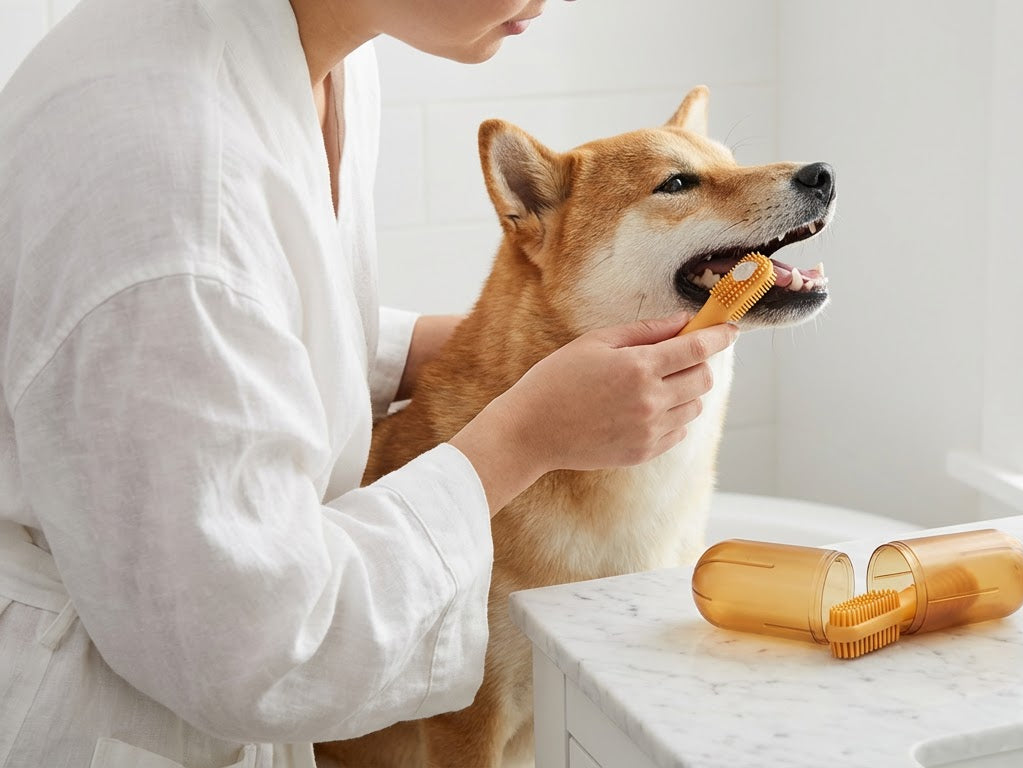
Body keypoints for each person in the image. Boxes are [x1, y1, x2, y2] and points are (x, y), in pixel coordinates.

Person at [0, 0, 739, 765]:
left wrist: (460, 349)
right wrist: (524, 437)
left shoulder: (323, 57)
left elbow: (234, 320)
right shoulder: (170, 178)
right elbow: (254, 645)